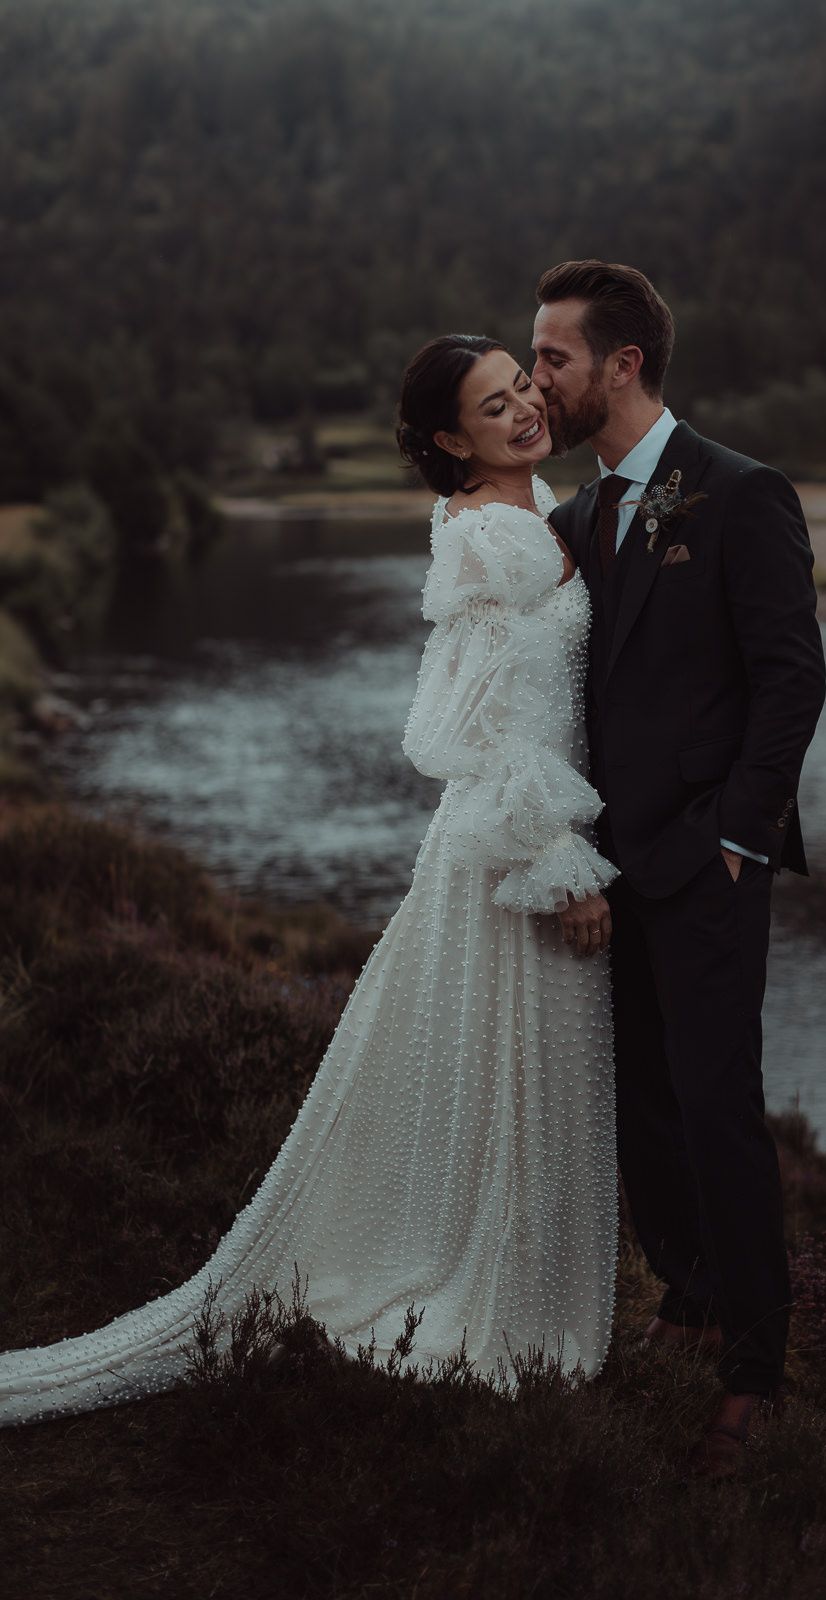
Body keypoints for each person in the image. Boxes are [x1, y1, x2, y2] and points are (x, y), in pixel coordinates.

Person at [0, 335, 621, 1427]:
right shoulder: (486, 538)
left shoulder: (531, 509)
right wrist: (558, 866)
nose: (524, 408)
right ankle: (491, 1312)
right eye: (492, 406)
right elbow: (477, 732)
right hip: (512, 853)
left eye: (522, 386)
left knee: (528, 1079)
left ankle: (524, 1297)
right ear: (450, 438)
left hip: (522, 835)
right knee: (507, 1075)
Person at [532, 260, 826, 1478]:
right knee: (637, 1103)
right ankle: (688, 1290)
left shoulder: (741, 494)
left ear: (622, 365)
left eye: (551, 357)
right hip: (605, 872)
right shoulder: (572, 520)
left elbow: (789, 679)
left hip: (706, 863)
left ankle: (755, 1371)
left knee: (715, 1110)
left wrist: (736, 839)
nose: (536, 379)